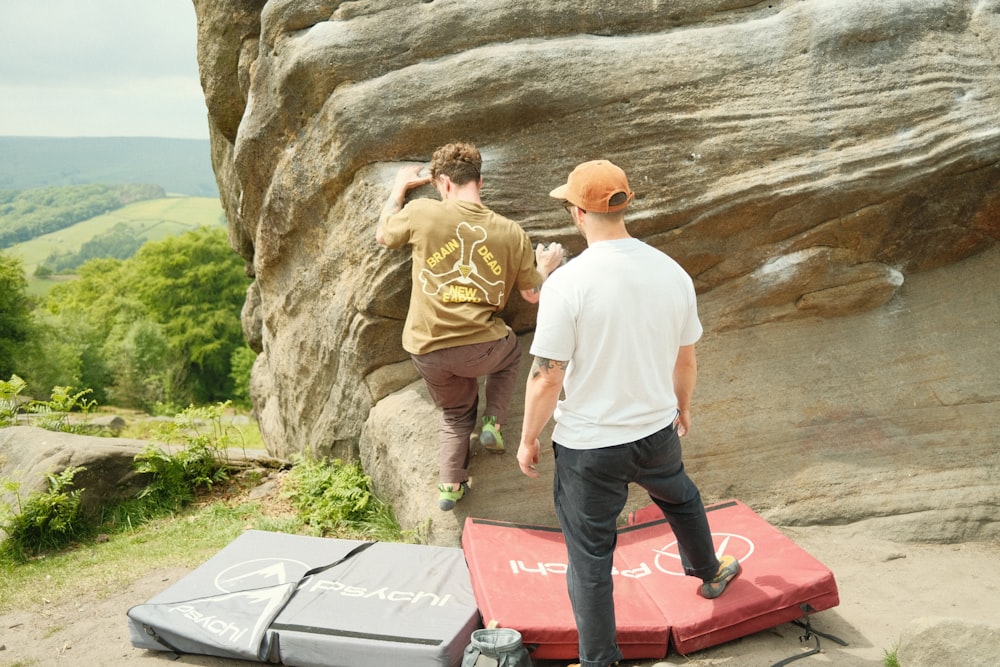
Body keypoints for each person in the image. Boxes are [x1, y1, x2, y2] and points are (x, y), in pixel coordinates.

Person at [516, 160, 741, 667]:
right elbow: (686, 357)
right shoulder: (672, 272)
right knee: (679, 495)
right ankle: (710, 571)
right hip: (656, 428)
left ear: (576, 212)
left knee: (591, 556)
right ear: (625, 203)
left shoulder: (566, 284)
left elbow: (547, 375)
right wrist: (681, 407)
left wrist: (528, 437)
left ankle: (600, 661)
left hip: (589, 448)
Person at [376, 142, 564, 511]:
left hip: (427, 348)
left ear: (443, 183)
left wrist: (398, 188)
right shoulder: (510, 232)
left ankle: (451, 486)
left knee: (456, 414)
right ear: (480, 180)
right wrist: (546, 265)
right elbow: (532, 294)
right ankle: (494, 420)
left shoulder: (422, 213)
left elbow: (383, 235)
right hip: (482, 349)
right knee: (511, 350)